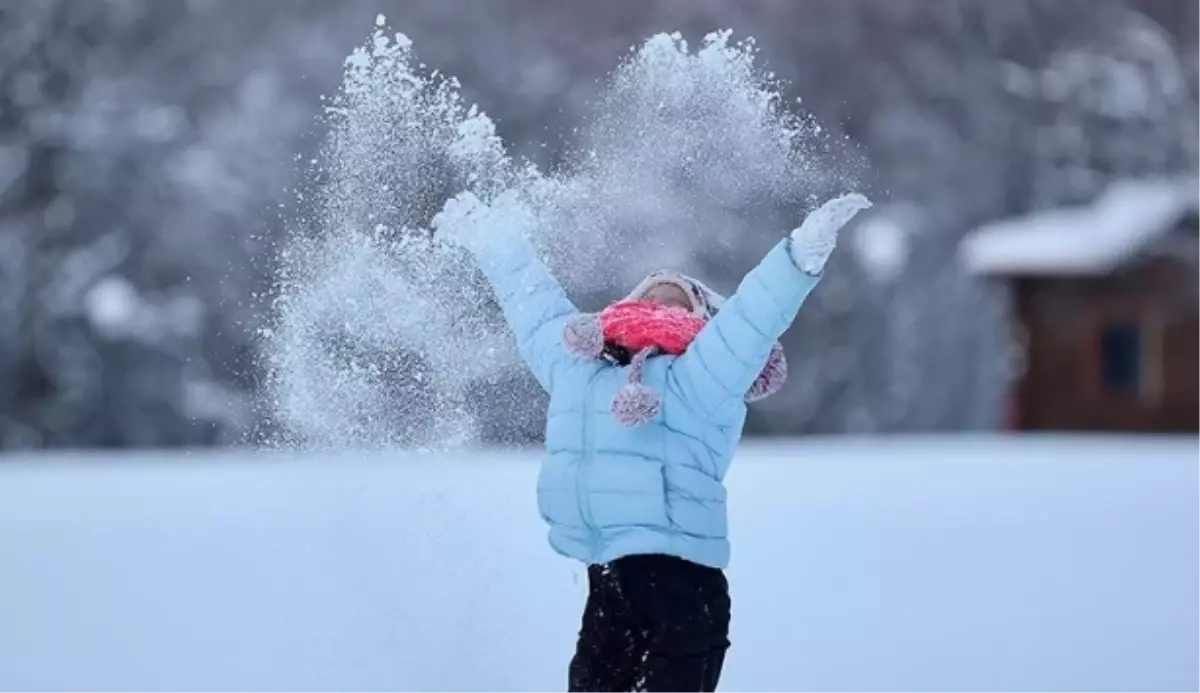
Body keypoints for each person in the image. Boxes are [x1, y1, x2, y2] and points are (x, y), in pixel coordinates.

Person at [434, 190, 871, 693]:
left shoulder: (704, 375)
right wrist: (494, 240)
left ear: (705, 320)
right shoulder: (578, 367)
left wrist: (798, 258)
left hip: (683, 588)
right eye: (650, 294)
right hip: (608, 581)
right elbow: (534, 306)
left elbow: (752, 320)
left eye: (677, 298)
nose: (659, 300)